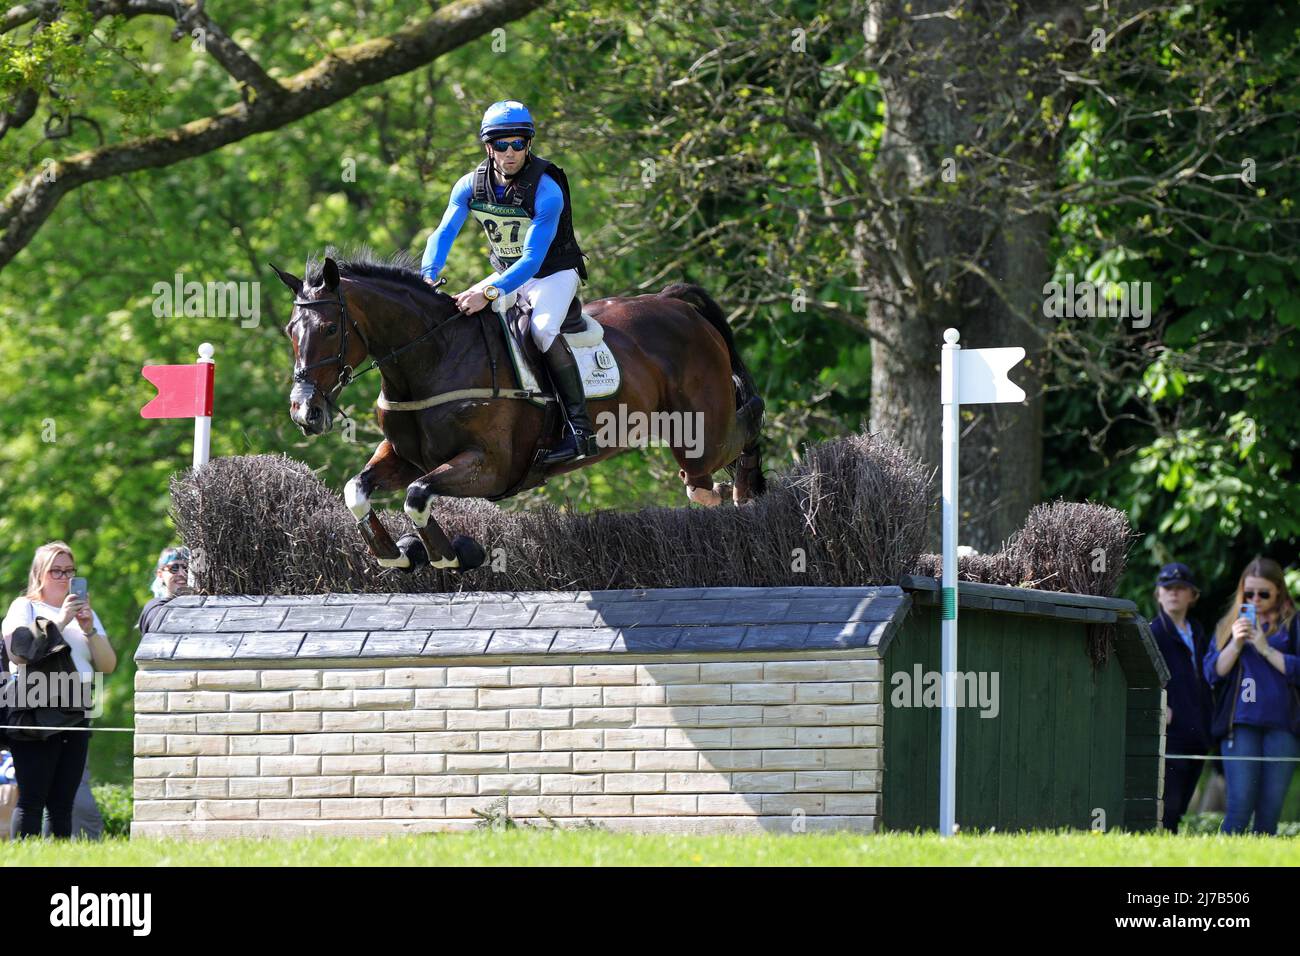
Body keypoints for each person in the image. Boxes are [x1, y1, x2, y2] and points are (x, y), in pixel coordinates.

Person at [420, 99, 594, 464]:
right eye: (502, 145)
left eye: (518, 144)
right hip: (507, 271)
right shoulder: (470, 185)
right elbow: (444, 232)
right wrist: (428, 274)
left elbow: (531, 261)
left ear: (528, 145)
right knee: (457, 317)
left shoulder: (547, 190)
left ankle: (580, 432)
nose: (510, 152)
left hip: (553, 273)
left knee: (543, 330)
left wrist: (487, 291)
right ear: (488, 147)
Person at [1, 541, 116, 838]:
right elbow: (18, 653)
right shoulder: (24, 607)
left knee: (63, 803)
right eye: (56, 571)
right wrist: (62, 619)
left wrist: (88, 628)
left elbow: (107, 665)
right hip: (35, 706)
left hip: (77, 706)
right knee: (32, 799)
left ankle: (59, 859)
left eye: (69, 571)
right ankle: (25, 858)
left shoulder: (85, 611)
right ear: (40, 573)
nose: (64, 578)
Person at [1203, 556, 1300, 835]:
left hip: (1284, 727)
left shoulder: (1293, 625)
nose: (1255, 599)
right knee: (1239, 808)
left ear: (1279, 592)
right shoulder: (1228, 624)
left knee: (1269, 814)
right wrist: (1236, 643)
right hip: (1241, 725)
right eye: (1249, 593)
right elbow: (1212, 673)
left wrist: (1265, 648)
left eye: (1264, 593)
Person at [1148, 562, 1213, 832]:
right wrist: (1159, 703)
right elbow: (1143, 679)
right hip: (1170, 735)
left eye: (1180, 588)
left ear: (1192, 595)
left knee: (1181, 807)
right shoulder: (1153, 632)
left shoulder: (1198, 631)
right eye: (1167, 587)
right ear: (1158, 594)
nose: (1173, 593)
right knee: (1168, 809)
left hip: (1197, 734)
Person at [136, 546, 192, 635]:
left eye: (186, 568)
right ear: (160, 574)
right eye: (174, 568)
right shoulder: (155, 608)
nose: (182, 573)